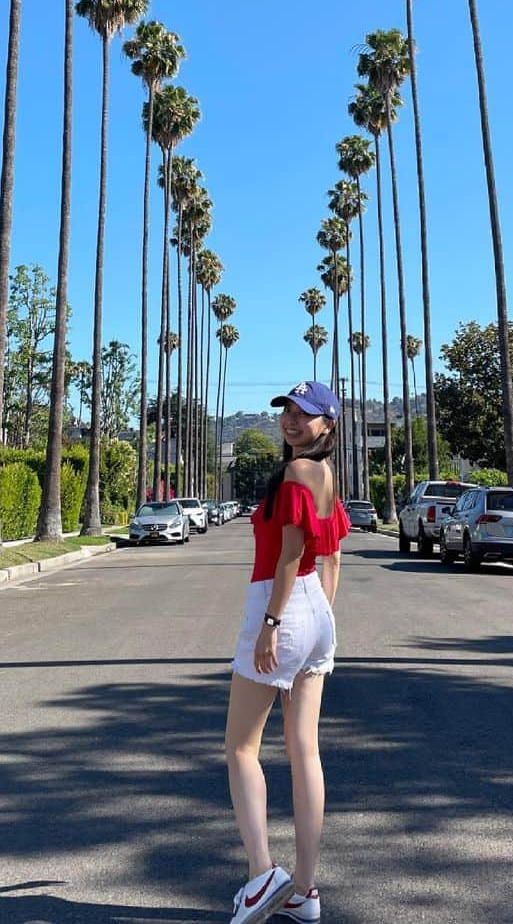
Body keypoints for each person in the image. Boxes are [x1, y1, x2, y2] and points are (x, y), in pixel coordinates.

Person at [224, 381, 351, 924]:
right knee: (304, 751)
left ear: (328, 426)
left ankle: (261, 876)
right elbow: (334, 559)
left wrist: (275, 623)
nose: (292, 420)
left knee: (240, 749)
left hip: (280, 606)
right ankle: (304, 890)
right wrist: (313, 615)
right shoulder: (326, 477)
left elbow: (291, 554)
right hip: (316, 613)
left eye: (307, 414)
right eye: (288, 411)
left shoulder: (298, 473)